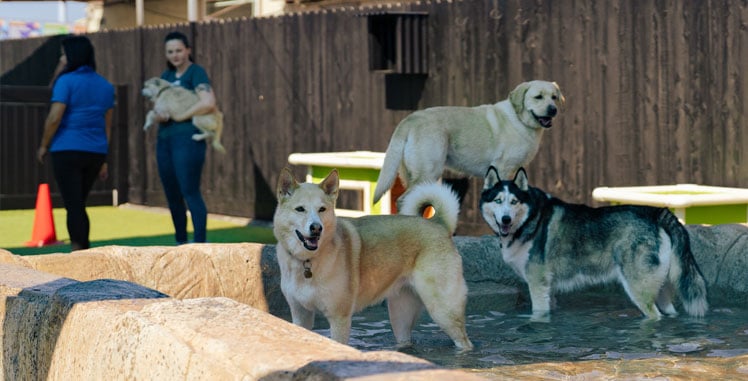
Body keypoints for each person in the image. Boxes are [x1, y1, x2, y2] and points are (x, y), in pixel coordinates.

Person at [37, 35, 114, 251]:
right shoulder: (105, 85)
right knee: (79, 203)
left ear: (70, 56)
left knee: (74, 205)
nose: (62, 58)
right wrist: (104, 159)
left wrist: (44, 145)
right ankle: (82, 249)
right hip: (95, 152)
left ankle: (80, 251)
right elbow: (107, 126)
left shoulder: (66, 81)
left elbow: (54, 118)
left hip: (67, 149)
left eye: (64, 54)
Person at [151, 31, 216, 244]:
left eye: (179, 50)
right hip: (165, 140)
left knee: (190, 191)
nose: (175, 55)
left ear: (188, 50)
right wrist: (160, 115)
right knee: (172, 194)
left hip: (188, 140)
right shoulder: (165, 77)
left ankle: (199, 244)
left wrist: (180, 115)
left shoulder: (196, 73)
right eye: (170, 51)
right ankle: (180, 243)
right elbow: (159, 108)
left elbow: (207, 102)